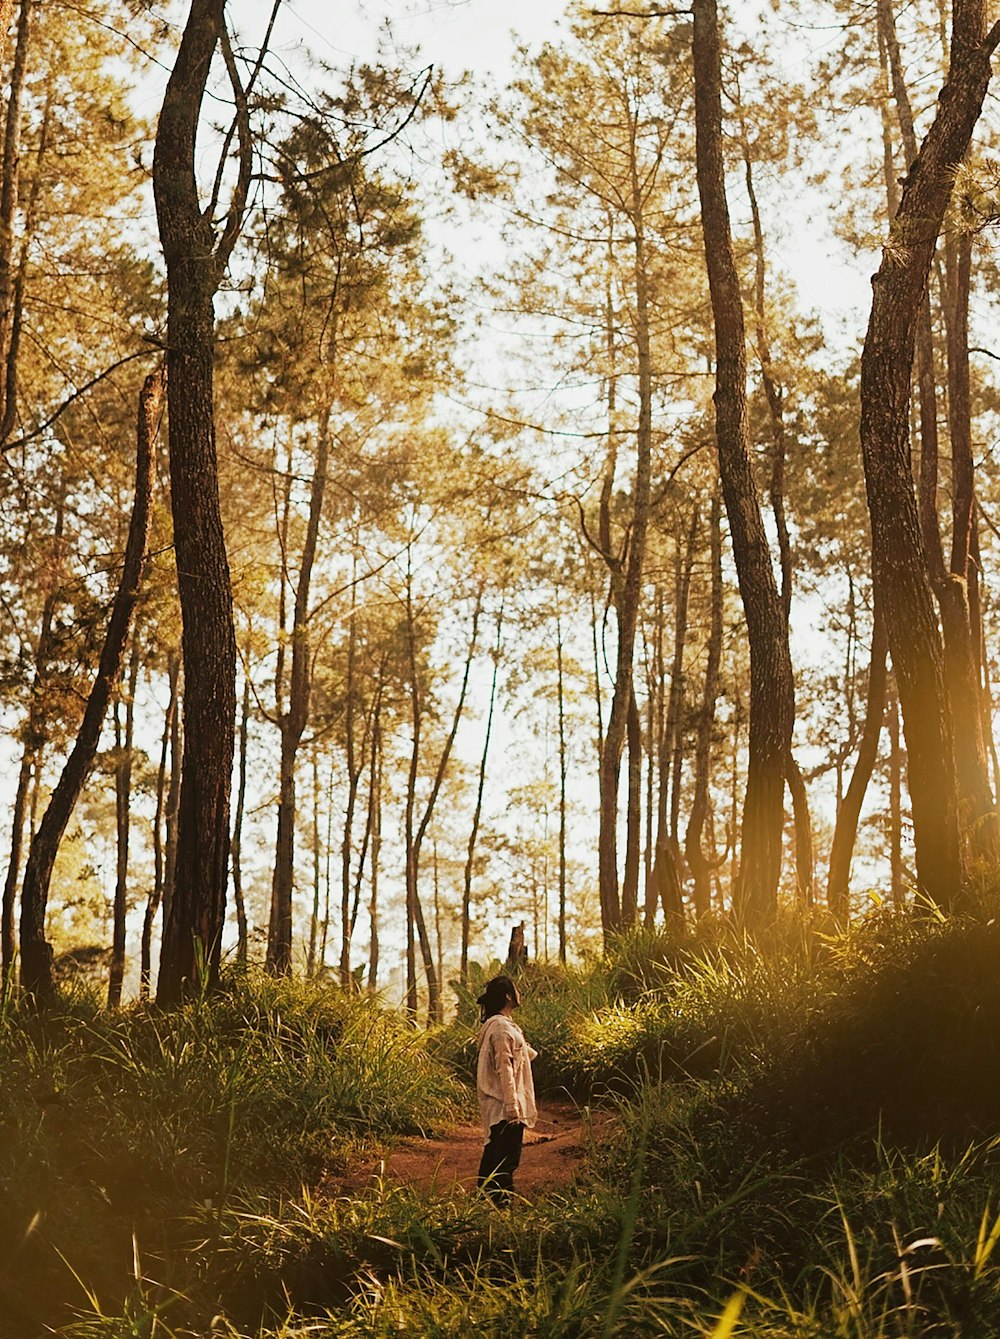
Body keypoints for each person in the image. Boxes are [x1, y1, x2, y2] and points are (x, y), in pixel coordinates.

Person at [475, 973, 537, 1201]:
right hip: (504, 1104)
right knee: (505, 1159)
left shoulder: (503, 1026)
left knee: (496, 1155)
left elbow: (520, 1057)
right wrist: (512, 1106)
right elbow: (504, 1067)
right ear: (509, 996)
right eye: (516, 990)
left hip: (501, 1103)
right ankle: (499, 1205)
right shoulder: (501, 1028)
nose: (520, 994)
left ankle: (486, 1203)